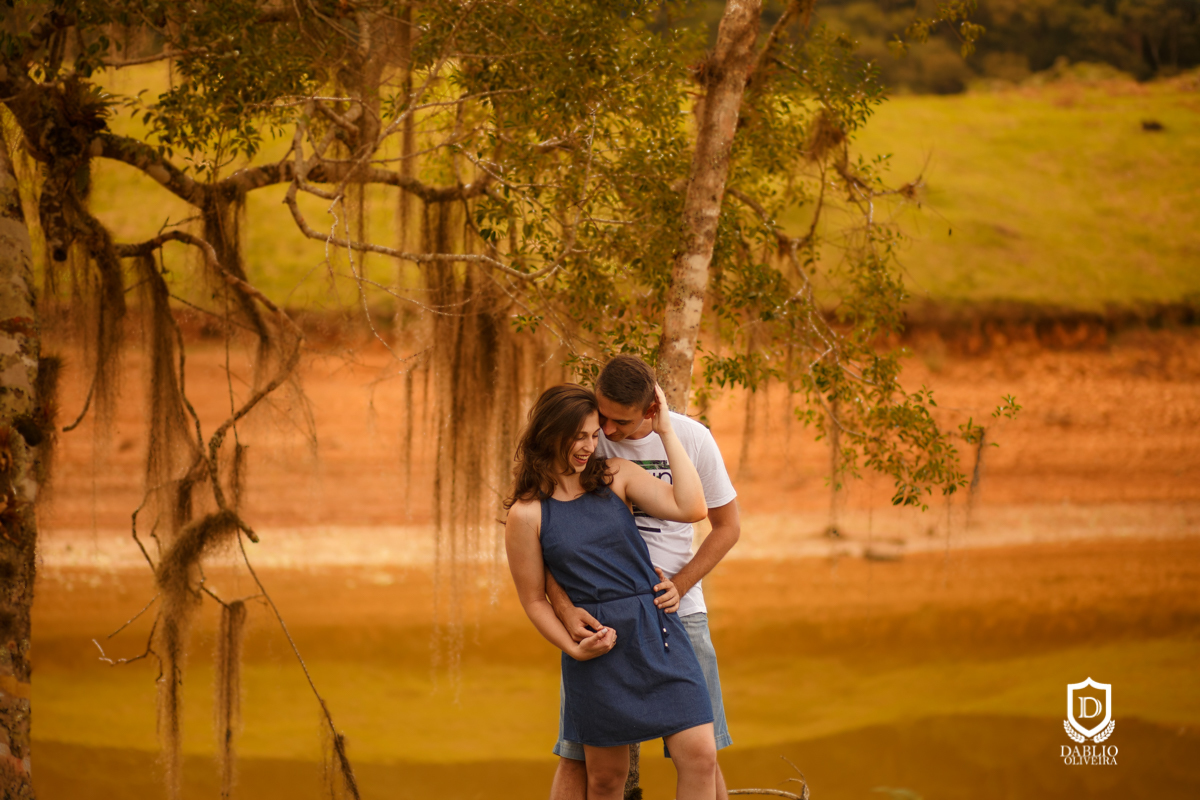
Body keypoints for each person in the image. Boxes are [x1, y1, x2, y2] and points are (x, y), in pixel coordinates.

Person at [505, 384, 719, 800]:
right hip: (599, 650)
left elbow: (691, 508)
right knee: (605, 779)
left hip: (658, 631)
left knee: (700, 756)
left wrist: (667, 432)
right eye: (579, 436)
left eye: (592, 435)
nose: (589, 446)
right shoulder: (526, 513)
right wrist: (573, 646)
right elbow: (533, 598)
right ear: (550, 434)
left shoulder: (614, 474)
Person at [546, 355, 740, 800]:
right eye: (604, 417)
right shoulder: (588, 438)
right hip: (602, 617)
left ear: (652, 409)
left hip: (680, 614)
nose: (608, 432)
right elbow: (547, 535)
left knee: (703, 755)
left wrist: (682, 583)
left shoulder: (693, 439)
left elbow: (726, 526)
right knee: (578, 757)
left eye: (622, 421)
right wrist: (564, 607)